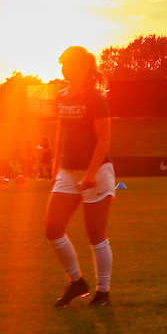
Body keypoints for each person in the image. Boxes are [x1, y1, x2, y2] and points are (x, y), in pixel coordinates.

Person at [46, 46, 115, 309]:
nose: (64, 68)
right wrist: (56, 170)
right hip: (67, 171)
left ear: (84, 67)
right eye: (62, 63)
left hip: (97, 172)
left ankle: (103, 292)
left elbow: (104, 140)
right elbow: (61, 134)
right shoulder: (62, 96)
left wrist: (90, 173)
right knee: (52, 229)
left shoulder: (96, 98)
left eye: (69, 64)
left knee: (95, 234)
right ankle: (77, 282)